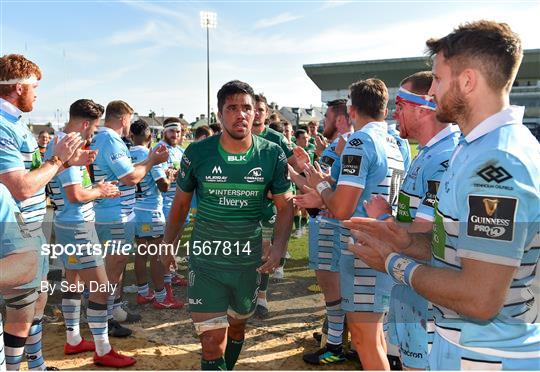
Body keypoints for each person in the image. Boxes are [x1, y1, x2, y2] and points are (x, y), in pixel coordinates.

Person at [345, 20, 539, 370]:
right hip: (462, 345)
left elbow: (480, 298)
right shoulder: (474, 148)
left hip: (489, 356)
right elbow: (460, 249)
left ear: (467, 82)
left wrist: (393, 263)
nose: (431, 92)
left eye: (437, 78)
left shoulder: (496, 163)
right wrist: (403, 240)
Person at [161, 80, 294, 370]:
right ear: (220, 113)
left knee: (236, 329)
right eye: (232, 108)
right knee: (211, 342)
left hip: (247, 260)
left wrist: (278, 249)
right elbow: (181, 204)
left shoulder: (272, 154)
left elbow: (286, 206)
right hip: (206, 259)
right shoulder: (197, 154)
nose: (241, 114)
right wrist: (167, 244)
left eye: (246, 108)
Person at [295, 78, 405, 370]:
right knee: (374, 337)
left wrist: (320, 188)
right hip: (383, 244)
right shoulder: (393, 141)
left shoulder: (360, 140)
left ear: (352, 110)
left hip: (364, 250)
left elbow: (343, 208)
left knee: (364, 340)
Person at [0, 53, 92, 371]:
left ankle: (36, 364)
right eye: (34, 86)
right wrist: (57, 160)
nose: (38, 93)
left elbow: (31, 171)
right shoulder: (2, 126)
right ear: (17, 87)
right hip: (14, 232)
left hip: (31, 227)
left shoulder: (15, 124)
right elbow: (20, 187)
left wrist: (67, 161)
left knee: (35, 300)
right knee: (20, 305)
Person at [363, 72, 460, 370]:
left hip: (430, 304)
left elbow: (425, 240)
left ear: (425, 107)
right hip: (411, 294)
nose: (394, 112)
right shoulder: (427, 154)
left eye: (401, 104)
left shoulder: (444, 157)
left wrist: (381, 218)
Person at [45, 99, 136, 367]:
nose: (93, 134)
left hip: (66, 223)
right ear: (85, 123)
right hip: (78, 225)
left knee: (73, 283)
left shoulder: (61, 142)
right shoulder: (68, 144)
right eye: (93, 128)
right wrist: (101, 190)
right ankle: (103, 349)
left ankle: (73, 339)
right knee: (101, 288)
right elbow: (76, 195)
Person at [89, 100, 169, 336]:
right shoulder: (111, 140)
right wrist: (152, 161)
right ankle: (104, 319)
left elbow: (129, 172)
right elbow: (130, 178)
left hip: (111, 211)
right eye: (129, 120)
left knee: (116, 267)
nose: (129, 127)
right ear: (124, 119)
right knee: (112, 269)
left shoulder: (101, 138)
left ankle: (114, 310)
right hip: (114, 214)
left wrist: (150, 159)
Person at [290, 98, 354, 365]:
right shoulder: (347, 145)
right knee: (341, 291)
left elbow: (323, 190)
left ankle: (335, 345)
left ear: (339, 120)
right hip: (334, 223)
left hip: (330, 224)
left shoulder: (349, 145)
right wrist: (305, 170)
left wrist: (293, 175)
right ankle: (335, 336)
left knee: (334, 290)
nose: (324, 122)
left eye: (327, 117)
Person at [130, 119, 183, 309]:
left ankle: (143, 293)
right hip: (151, 211)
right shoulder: (151, 155)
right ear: (150, 136)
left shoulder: (127, 154)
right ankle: (162, 297)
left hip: (134, 210)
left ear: (131, 136)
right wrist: (169, 176)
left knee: (141, 253)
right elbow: (163, 185)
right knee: (157, 256)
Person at [251, 93, 296, 318]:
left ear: (267, 113)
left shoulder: (277, 138)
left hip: (267, 206)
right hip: (239, 205)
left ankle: (261, 296)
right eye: (254, 109)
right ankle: (241, 294)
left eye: (261, 109)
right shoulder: (236, 136)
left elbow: (294, 166)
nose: (257, 113)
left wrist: (278, 188)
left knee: (265, 252)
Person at [156, 117, 188, 287]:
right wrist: (171, 174)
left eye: (178, 131)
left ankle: (171, 271)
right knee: (167, 242)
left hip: (181, 202)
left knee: (176, 241)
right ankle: (165, 277)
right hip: (166, 203)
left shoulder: (181, 151)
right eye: (171, 131)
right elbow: (160, 180)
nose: (175, 134)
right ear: (164, 131)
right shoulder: (160, 149)